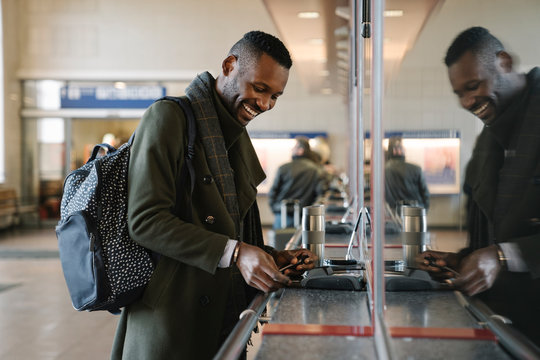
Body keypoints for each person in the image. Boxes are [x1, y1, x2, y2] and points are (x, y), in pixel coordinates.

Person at [111, 31, 318, 360]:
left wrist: (268, 257)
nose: (264, 104)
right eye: (259, 88)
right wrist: (238, 254)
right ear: (229, 65)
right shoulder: (168, 118)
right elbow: (146, 221)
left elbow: (227, 230)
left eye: (275, 96)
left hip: (222, 321)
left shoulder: (233, 135)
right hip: (171, 325)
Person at [417, 26, 540, 345]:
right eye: (459, 93)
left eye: (474, 86)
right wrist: (462, 261)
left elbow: (504, 250)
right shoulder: (491, 136)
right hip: (511, 320)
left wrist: (501, 257)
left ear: (504, 63)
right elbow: (493, 230)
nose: (468, 101)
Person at [268, 136, 326, 229]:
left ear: (301, 150)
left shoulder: (283, 168)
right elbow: (321, 193)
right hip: (304, 216)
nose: (292, 149)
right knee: (300, 241)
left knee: (280, 241)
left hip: (282, 215)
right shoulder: (316, 170)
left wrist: (275, 208)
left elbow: (273, 191)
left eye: (294, 147)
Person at [384, 136, 430, 213]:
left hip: (394, 213)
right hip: (415, 212)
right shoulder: (416, 169)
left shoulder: (384, 170)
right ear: (397, 151)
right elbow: (425, 193)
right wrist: (424, 211)